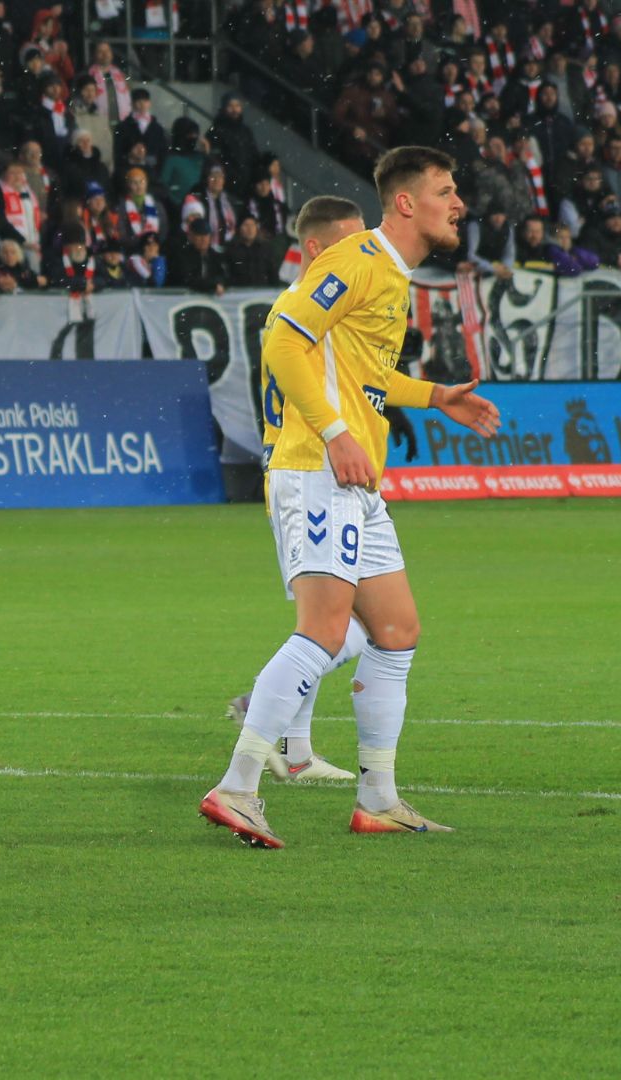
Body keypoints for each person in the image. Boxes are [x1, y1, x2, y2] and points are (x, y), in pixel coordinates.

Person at [200, 147, 502, 848]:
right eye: (445, 191)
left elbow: (363, 373)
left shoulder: (389, 273)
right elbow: (283, 338)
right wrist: (335, 433)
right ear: (407, 202)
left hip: (357, 480)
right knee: (325, 632)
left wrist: (435, 396)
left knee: (395, 632)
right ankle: (237, 786)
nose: (458, 203)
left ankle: (379, 799)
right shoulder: (358, 259)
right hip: (318, 468)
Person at [224, 196, 368, 783]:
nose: (361, 254)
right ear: (315, 247)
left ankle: (298, 751)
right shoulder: (304, 309)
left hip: (315, 472)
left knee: (356, 621)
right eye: (350, 242)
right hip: (308, 474)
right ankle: (265, 703)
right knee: (344, 625)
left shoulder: (310, 307)